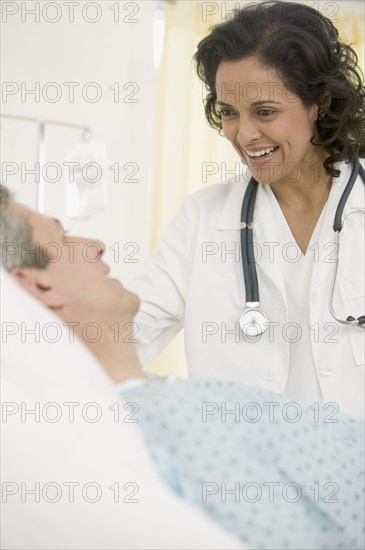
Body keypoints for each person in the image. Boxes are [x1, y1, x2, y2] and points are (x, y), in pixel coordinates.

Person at [1, 183, 364, 550]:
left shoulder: (167, 410)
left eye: (266, 118)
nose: (96, 244)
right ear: (39, 287)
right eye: (63, 239)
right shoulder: (175, 432)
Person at [129, 0, 365, 418]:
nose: (244, 134)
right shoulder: (202, 218)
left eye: (266, 111)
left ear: (320, 102)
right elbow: (125, 336)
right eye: (228, 113)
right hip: (244, 479)